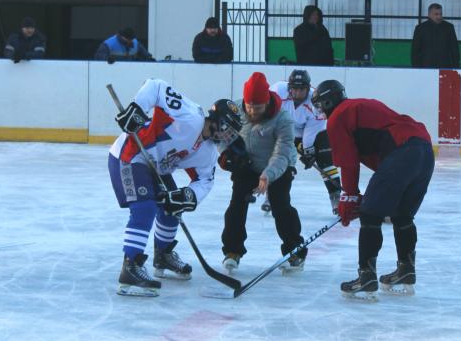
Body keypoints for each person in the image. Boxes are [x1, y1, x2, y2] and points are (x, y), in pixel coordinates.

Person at [108, 79, 243, 297]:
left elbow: (205, 181)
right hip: (130, 155)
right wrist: (137, 108)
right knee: (145, 208)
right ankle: (130, 266)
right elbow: (156, 87)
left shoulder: (207, 152)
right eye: (229, 129)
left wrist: (188, 196)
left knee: (172, 206)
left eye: (233, 133)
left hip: (156, 168)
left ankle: (162, 254)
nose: (229, 136)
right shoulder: (191, 116)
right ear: (217, 120)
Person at [312, 80, 434, 299]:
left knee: (370, 214)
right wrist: (358, 196)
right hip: (424, 150)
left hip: (404, 151)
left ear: (328, 101)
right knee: (402, 214)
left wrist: (349, 197)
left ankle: (366, 276)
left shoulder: (338, 117)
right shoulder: (357, 107)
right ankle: (406, 269)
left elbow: (349, 163)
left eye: (320, 105)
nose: (319, 110)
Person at [218, 72, 306, 274]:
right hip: (246, 165)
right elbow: (221, 135)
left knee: (280, 205)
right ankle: (232, 251)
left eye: (257, 107)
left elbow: (282, 153)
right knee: (236, 205)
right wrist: (226, 155)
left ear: (266, 102)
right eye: (249, 106)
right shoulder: (235, 110)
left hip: (279, 167)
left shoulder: (282, 118)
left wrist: (267, 175)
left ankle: (295, 250)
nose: (252, 110)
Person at [265, 69, 341, 215]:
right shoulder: (277, 91)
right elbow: (268, 112)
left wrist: (308, 150)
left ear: (308, 88)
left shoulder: (315, 100)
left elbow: (313, 128)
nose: (298, 93)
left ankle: (336, 195)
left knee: (325, 159)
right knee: (278, 159)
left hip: (311, 131)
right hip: (282, 129)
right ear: (289, 88)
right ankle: (272, 194)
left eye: (302, 89)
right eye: (295, 89)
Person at [410, 3, 459, 68]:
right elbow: (415, 51)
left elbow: (454, 50)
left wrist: (456, 67)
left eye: (440, 14)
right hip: (425, 67)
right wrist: (417, 69)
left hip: (445, 67)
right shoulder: (420, 28)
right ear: (429, 15)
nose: (439, 17)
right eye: (436, 14)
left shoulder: (449, 27)